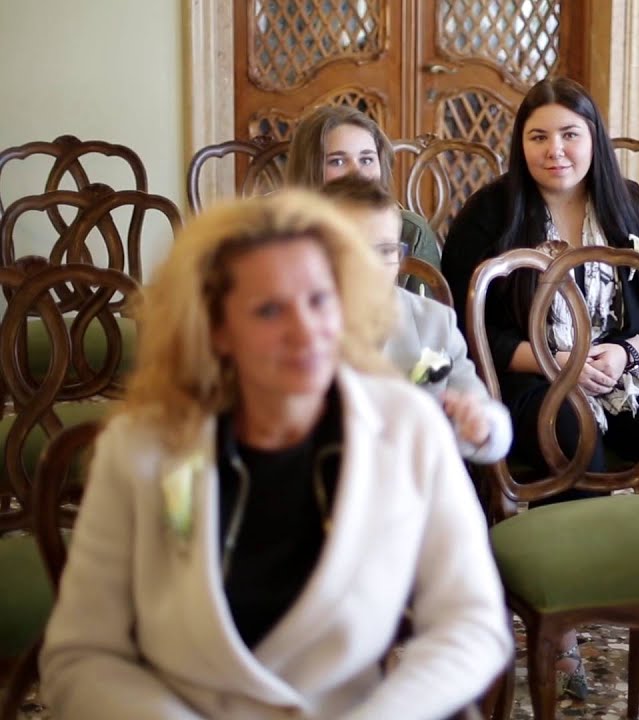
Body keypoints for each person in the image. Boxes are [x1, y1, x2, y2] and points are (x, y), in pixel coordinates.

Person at [39, 191, 511, 719]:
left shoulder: (406, 427)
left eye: (319, 300)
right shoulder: (140, 448)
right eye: (269, 310)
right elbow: (80, 657)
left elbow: (473, 624)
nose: (306, 331)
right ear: (216, 329)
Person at [441, 76, 639, 701]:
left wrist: (627, 350)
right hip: (530, 374)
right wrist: (558, 362)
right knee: (569, 426)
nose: (556, 150)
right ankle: (569, 618)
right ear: (520, 144)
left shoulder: (628, 205)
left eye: (570, 135)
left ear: (593, 139)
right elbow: (467, 328)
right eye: (539, 136)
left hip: (621, 368)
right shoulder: (491, 213)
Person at [320, 174, 512, 464]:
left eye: (386, 251)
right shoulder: (299, 328)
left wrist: (481, 426)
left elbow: (481, 406)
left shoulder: (434, 322)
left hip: (418, 479)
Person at [284, 105, 442, 274]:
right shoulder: (278, 236)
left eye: (366, 160)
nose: (357, 173)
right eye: (337, 161)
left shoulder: (411, 232)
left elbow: (424, 300)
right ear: (307, 169)